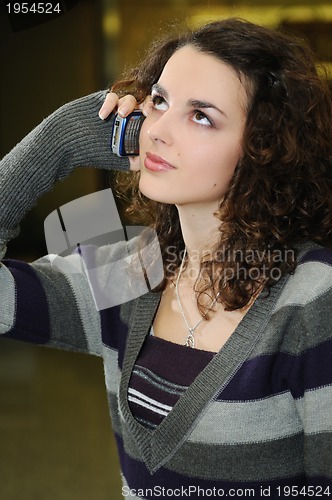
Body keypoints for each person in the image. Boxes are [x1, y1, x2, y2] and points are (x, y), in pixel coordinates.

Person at [1, 17, 332, 499]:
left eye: (201, 116)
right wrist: (61, 140)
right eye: (158, 100)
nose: (156, 130)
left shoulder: (312, 297)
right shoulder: (135, 272)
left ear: (266, 150)